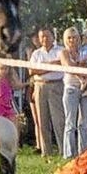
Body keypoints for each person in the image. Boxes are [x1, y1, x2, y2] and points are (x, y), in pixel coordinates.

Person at [29, 28, 65, 157]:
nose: (44, 39)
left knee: (58, 120)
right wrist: (51, 66)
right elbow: (32, 71)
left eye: (47, 36)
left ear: (53, 37)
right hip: (40, 86)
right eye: (42, 37)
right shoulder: (36, 54)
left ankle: (63, 150)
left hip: (56, 86)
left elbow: (62, 63)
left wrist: (43, 67)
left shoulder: (60, 51)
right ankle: (46, 151)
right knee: (42, 120)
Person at [60, 26, 87, 159]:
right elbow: (69, 67)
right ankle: (69, 154)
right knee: (70, 123)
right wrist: (82, 66)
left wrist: (85, 66)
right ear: (65, 39)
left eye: (74, 37)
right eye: (69, 37)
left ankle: (83, 153)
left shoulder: (85, 51)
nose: (72, 40)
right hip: (71, 89)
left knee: (84, 124)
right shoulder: (64, 52)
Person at [0, 62, 28, 127]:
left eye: (5, 69)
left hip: (8, 106)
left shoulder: (9, 80)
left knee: (15, 123)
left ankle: (14, 137)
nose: (3, 71)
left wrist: (28, 83)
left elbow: (17, 86)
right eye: (1, 69)